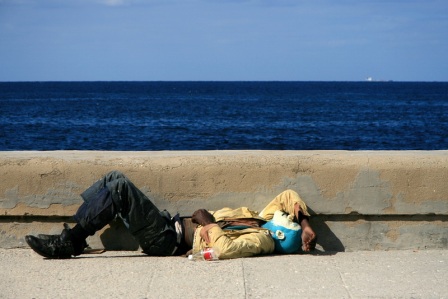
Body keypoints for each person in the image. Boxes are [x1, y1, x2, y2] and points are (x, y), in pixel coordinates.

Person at [25, 171, 316, 259]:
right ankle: (86, 223)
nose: (284, 216)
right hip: (167, 223)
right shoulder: (261, 218)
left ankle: (72, 241)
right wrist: (304, 223)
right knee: (112, 179)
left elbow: (226, 249)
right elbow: (288, 196)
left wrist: (208, 222)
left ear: (281, 233)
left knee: (121, 188)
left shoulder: (262, 240)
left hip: (167, 240)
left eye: (287, 221)